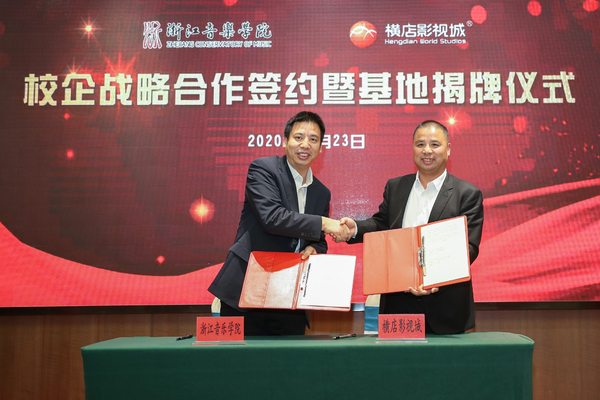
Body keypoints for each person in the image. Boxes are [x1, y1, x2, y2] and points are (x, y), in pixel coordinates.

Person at [208, 111, 348, 336]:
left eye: (313, 139)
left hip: (289, 295)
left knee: (288, 358)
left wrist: (315, 248)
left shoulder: (322, 192)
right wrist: (323, 223)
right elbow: (272, 218)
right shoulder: (264, 169)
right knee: (238, 357)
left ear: (321, 148)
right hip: (247, 289)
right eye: (299, 137)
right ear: (285, 141)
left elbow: (319, 241)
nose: (305, 145)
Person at [339, 120, 484, 334]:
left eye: (435, 144)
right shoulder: (396, 187)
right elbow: (382, 225)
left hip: (445, 307)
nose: (427, 150)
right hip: (398, 302)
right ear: (413, 148)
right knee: (398, 357)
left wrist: (431, 279)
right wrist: (355, 229)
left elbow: (468, 248)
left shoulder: (467, 194)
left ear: (448, 149)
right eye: (420, 144)